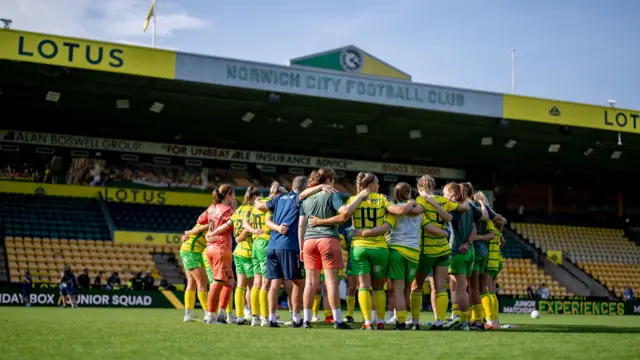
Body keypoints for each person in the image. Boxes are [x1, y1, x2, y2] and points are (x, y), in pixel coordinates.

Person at [353, 182, 449, 330]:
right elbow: (432, 229)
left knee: (397, 288)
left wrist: (363, 233)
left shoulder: (392, 211)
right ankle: (412, 321)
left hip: (396, 252)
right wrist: (445, 233)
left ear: (395, 194)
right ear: (410, 193)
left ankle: (401, 322)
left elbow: (386, 228)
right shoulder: (419, 212)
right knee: (408, 289)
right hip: (414, 254)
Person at [300, 168, 370, 329]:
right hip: (327, 239)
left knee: (310, 283)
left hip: (309, 241)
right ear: (330, 179)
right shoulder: (332, 194)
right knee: (331, 283)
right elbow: (344, 214)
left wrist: (301, 246)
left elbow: (301, 224)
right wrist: (359, 196)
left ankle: (306, 320)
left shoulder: (307, 197)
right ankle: (338, 320)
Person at [254, 176, 312, 328]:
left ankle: (271, 318)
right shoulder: (300, 199)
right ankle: (296, 317)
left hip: (272, 246)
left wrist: (256, 200)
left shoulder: (278, 198)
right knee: (298, 283)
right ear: (305, 187)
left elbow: (260, 206)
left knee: (274, 283)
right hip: (289, 246)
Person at [410, 174, 466, 330]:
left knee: (416, 286)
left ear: (420, 187)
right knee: (440, 287)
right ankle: (439, 322)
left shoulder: (420, 201)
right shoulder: (444, 201)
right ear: (434, 187)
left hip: (426, 250)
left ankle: (415, 323)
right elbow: (463, 207)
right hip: (444, 249)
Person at [442, 182, 488, 331]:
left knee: (460, 289)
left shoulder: (454, 209)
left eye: (445, 194)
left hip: (457, 251)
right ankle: (473, 320)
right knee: (467, 288)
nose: (443, 197)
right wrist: (468, 243)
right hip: (470, 252)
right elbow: (475, 226)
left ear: (454, 195)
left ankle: (462, 322)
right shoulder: (471, 207)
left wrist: (433, 204)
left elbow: (444, 217)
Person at [248, 182, 286, 327]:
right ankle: (265, 317)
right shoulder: (270, 205)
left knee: (257, 284)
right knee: (266, 283)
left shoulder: (256, 204)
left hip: (255, 245)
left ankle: (254, 317)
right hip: (265, 243)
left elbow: (247, 223)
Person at [200, 184, 237, 324]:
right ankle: (210, 316)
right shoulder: (228, 210)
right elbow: (235, 226)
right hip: (221, 248)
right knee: (218, 282)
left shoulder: (211, 208)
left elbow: (200, 220)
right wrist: (234, 210)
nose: (234, 198)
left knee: (229, 281)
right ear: (228, 195)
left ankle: (221, 313)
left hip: (211, 248)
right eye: (232, 195)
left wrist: (209, 232)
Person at [228, 186, 263, 325]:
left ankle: (241, 315)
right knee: (254, 284)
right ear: (255, 198)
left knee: (242, 285)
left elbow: (230, 225)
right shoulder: (251, 210)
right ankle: (255, 315)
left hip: (238, 252)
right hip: (248, 250)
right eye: (259, 198)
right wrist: (246, 235)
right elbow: (245, 229)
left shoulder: (238, 210)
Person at [180, 220, 210, 322]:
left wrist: (187, 234)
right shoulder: (211, 220)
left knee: (192, 283)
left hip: (189, 250)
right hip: (192, 251)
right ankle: (208, 314)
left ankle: (188, 314)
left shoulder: (206, 220)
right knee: (202, 282)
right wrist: (188, 233)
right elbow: (199, 229)